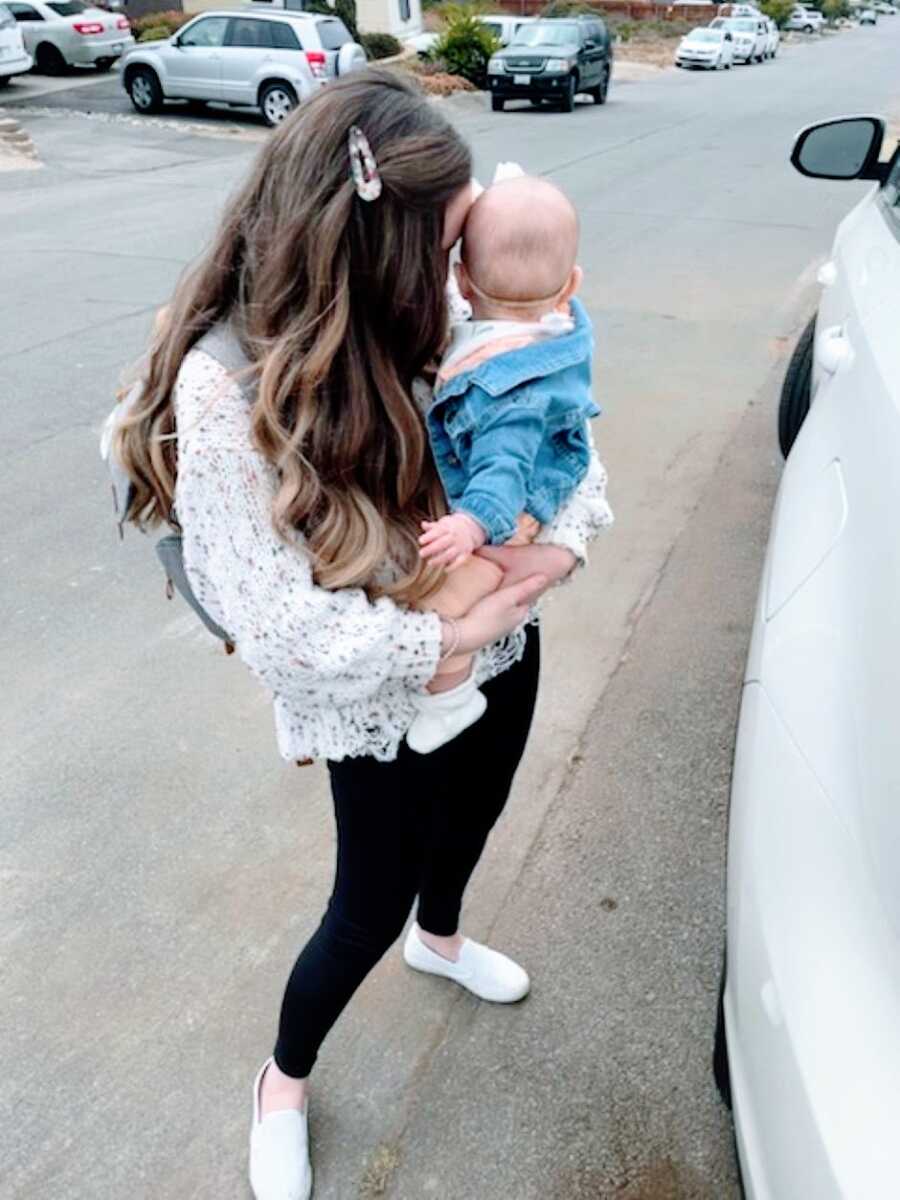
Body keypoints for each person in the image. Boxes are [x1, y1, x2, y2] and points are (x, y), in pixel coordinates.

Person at [110, 70, 612, 1200]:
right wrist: (455, 632)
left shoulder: (449, 314)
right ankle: (284, 1079)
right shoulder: (224, 384)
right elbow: (280, 626)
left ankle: (444, 940)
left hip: (504, 647)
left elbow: (562, 442)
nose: (460, 274)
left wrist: (557, 552)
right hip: (381, 700)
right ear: (369, 244)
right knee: (365, 903)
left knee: (476, 816)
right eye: (441, 249)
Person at [407, 175, 600, 754]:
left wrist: (470, 523)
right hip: (532, 492)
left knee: (442, 605)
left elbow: (503, 471)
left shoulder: (505, 390)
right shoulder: (552, 328)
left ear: (460, 281)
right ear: (571, 285)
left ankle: (450, 698)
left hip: (508, 521)